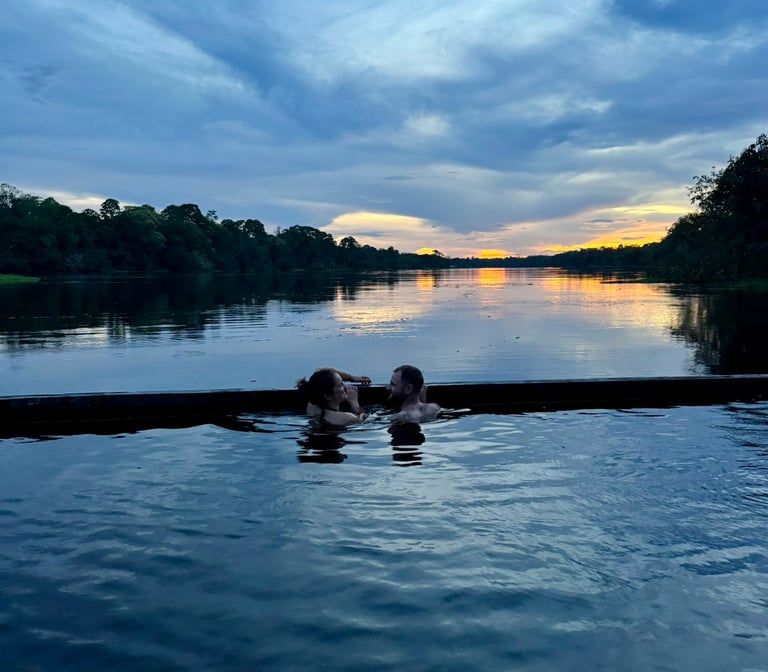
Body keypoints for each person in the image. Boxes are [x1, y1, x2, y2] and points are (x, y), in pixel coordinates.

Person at [296, 368, 371, 427]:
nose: (345, 387)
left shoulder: (312, 407)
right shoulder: (347, 418)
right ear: (328, 395)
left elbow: (321, 372)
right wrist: (354, 403)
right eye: (340, 385)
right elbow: (366, 419)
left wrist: (351, 378)